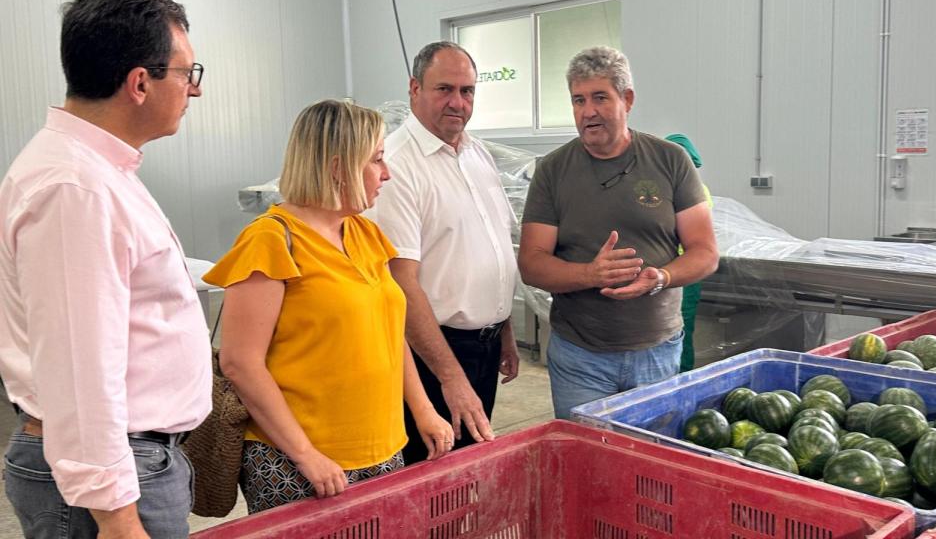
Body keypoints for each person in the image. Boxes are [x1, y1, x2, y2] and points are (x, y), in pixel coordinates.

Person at [0, 0, 209, 539]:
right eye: (188, 74)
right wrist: (118, 520)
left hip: (132, 460)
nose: (194, 91)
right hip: (108, 482)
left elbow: (128, 274)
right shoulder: (75, 188)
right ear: (140, 81)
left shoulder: (98, 170)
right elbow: (78, 369)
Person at [203, 100, 453, 514]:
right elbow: (240, 363)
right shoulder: (269, 240)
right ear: (338, 167)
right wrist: (305, 455)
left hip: (383, 449)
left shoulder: (366, 233)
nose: (386, 173)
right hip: (300, 461)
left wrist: (424, 410)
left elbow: (390, 334)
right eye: (376, 160)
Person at [518, 46, 719, 420]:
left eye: (599, 98)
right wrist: (588, 274)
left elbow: (705, 251)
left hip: (657, 354)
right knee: (587, 463)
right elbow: (531, 264)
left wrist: (661, 277)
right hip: (580, 358)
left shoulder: (670, 160)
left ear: (626, 99)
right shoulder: (553, 171)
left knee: (649, 463)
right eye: (578, 100)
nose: (587, 111)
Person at [374, 41, 519, 463]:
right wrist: (450, 377)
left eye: (468, 91)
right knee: (432, 477)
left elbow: (492, 245)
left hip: (484, 346)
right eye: (444, 89)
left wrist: (503, 327)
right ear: (415, 88)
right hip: (432, 354)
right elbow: (401, 284)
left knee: (468, 467)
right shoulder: (397, 166)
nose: (458, 102)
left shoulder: (476, 153)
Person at [664, 133, 712, 372]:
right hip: (673, 271)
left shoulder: (692, 191)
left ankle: (679, 378)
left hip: (683, 270)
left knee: (678, 329)